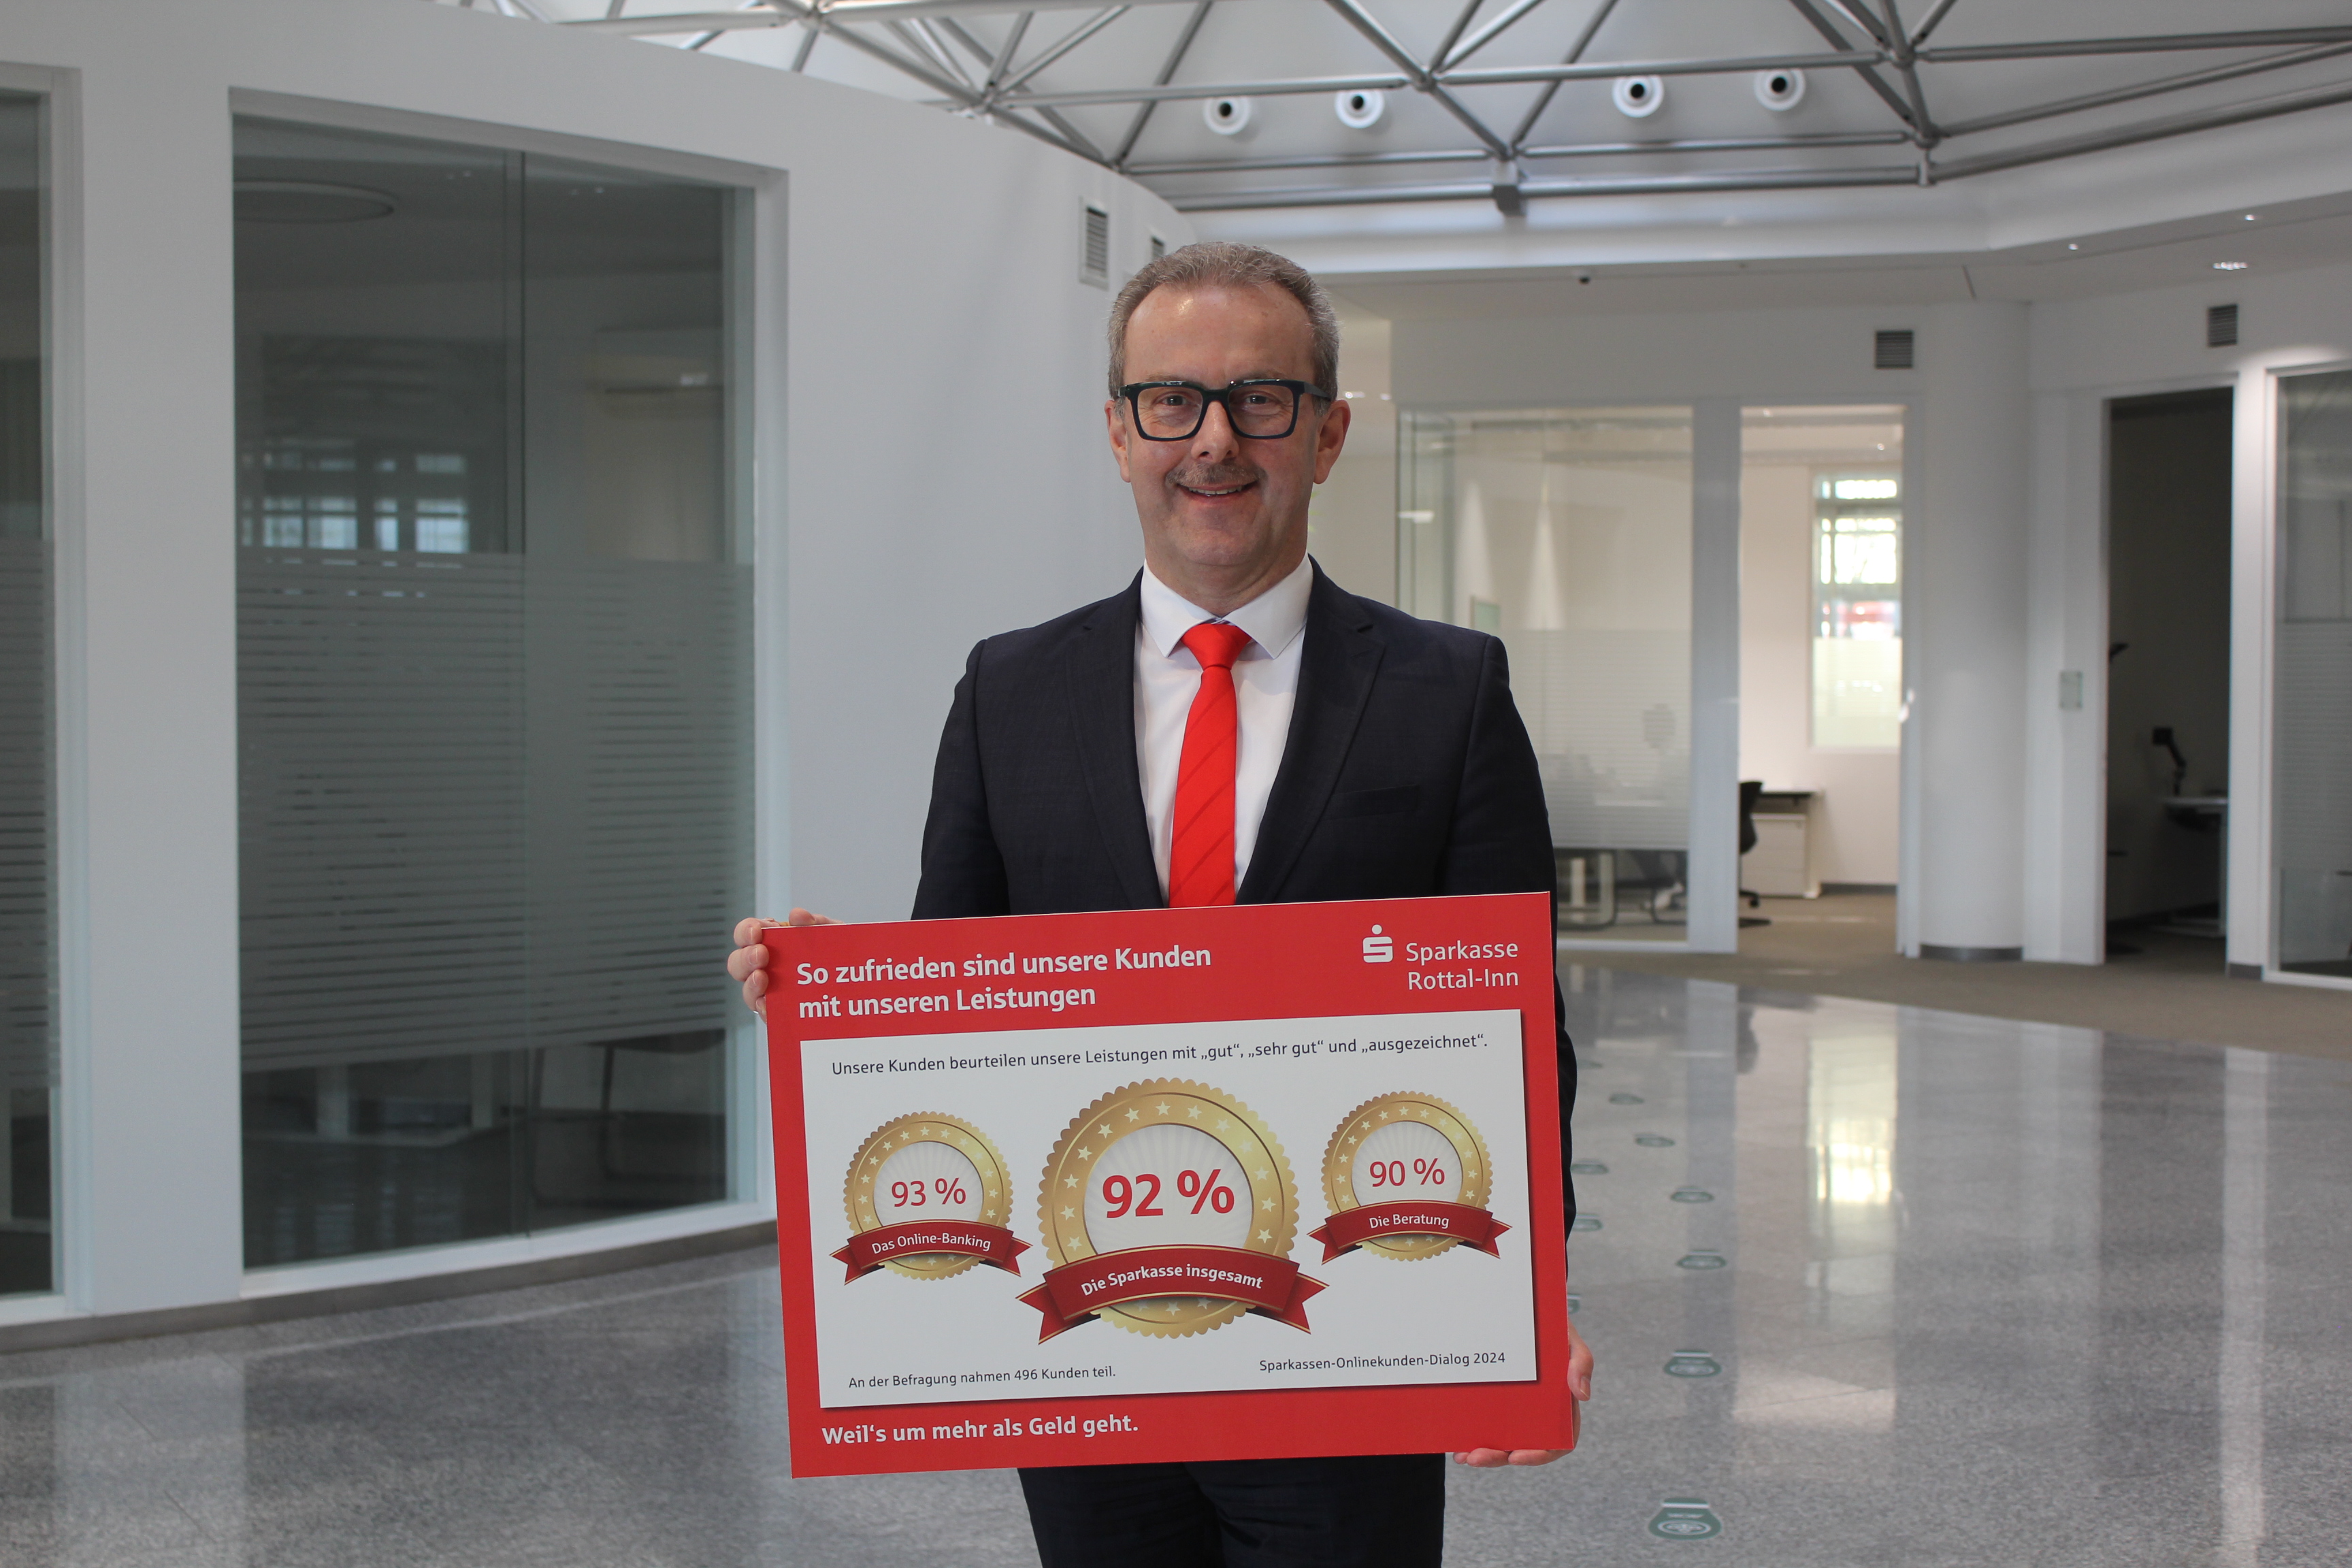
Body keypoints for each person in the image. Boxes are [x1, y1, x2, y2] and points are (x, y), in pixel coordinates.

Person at [729, 240, 1592, 1567]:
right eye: (1172, 400)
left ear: (1328, 433)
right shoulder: (1009, 691)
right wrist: (851, 1005)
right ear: (1119, 432)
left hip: (1343, 1344)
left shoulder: (1450, 691)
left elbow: (1519, 1028)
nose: (1214, 441)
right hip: (1087, 1349)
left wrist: (1529, 1300)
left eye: (1262, 399)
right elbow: (959, 995)